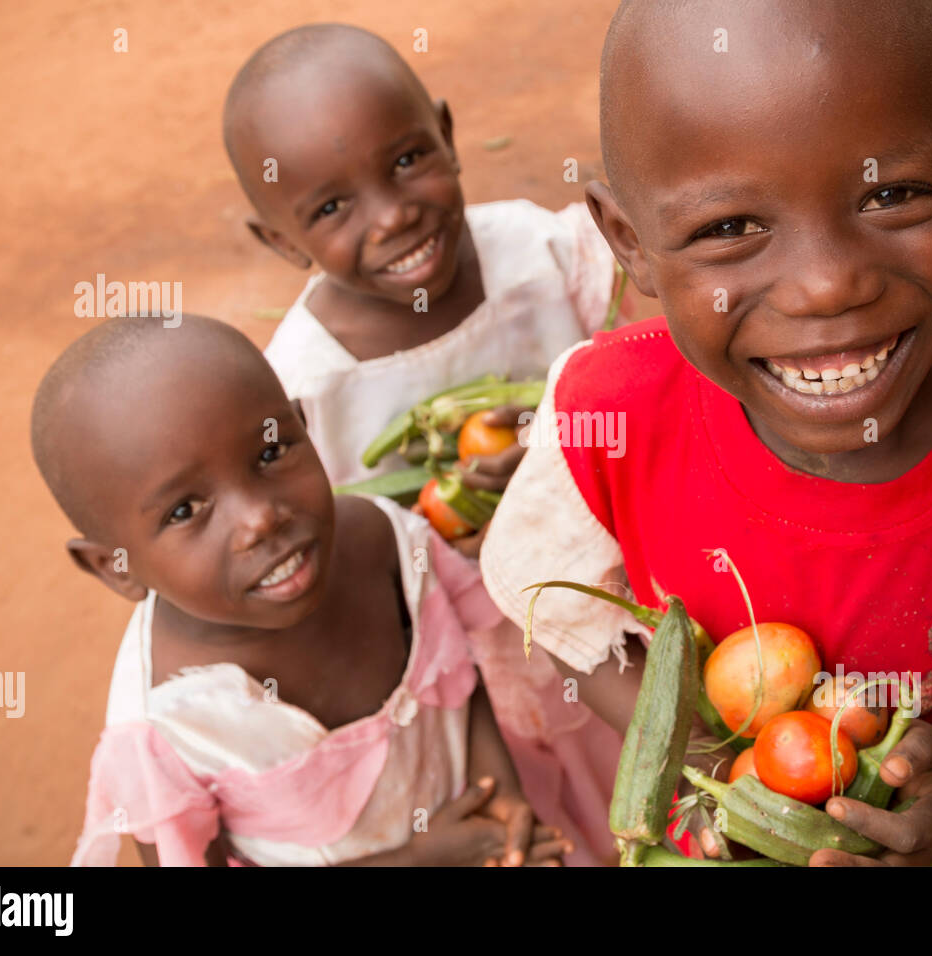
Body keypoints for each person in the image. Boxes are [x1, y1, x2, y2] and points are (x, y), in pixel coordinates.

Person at [480, 0, 932, 866]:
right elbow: (556, 610)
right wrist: (713, 757)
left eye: (891, 195)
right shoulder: (604, 415)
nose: (828, 285)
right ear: (628, 243)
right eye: (729, 228)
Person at [221, 24, 626, 864]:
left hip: (615, 601)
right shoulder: (301, 386)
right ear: (282, 243)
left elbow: (634, 382)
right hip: (472, 682)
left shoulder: (540, 254)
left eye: (407, 159)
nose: (394, 212)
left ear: (445, 131)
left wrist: (559, 459)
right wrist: (448, 523)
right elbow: (334, 552)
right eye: (331, 208)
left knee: (646, 785)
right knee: (543, 824)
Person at [32, 315, 570, 866]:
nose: (261, 519)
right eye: (185, 510)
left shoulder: (387, 543)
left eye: (269, 454)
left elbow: (458, 678)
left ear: (301, 423)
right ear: (115, 567)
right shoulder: (168, 727)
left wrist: (500, 796)